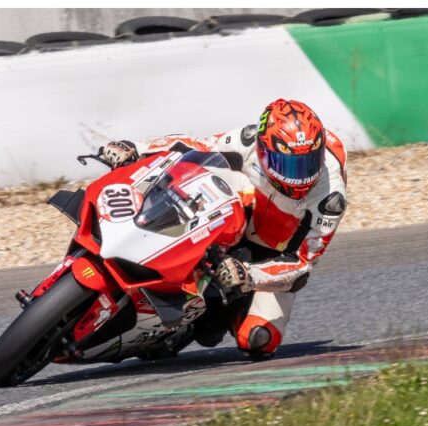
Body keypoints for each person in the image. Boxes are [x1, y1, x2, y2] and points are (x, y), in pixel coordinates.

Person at [99, 98, 348, 359]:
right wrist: (135, 149)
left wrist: (249, 275)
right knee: (201, 173)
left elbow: (301, 266)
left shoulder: (330, 199)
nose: (299, 177)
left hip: (271, 255)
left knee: (259, 339)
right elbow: (195, 145)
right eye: (289, 165)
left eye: (308, 164)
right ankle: (153, 239)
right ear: (263, 149)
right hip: (240, 212)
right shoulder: (248, 140)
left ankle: (212, 311)